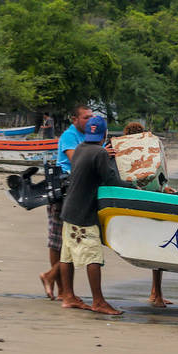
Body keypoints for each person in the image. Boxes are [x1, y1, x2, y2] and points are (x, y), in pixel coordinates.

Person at [58, 116, 134, 315]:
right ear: (105, 134)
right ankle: (98, 302)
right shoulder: (99, 152)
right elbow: (111, 181)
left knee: (67, 255)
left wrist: (104, 155)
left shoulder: (82, 147)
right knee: (94, 256)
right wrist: (135, 185)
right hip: (83, 212)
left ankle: (68, 297)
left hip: (68, 209)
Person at [39, 104, 92, 300]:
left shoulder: (90, 137)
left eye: (91, 117)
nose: (90, 120)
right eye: (86, 117)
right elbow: (76, 159)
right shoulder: (69, 136)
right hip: (63, 190)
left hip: (79, 192)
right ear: (75, 119)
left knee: (70, 241)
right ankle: (60, 288)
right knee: (57, 242)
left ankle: (52, 278)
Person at [121, 121, 173, 308]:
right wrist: (164, 188)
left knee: (155, 250)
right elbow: (159, 175)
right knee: (157, 250)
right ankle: (156, 294)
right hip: (151, 204)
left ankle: (156, 293)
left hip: (134, 204)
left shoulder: (123, 153)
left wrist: (164, 187)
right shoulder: (149, 150)